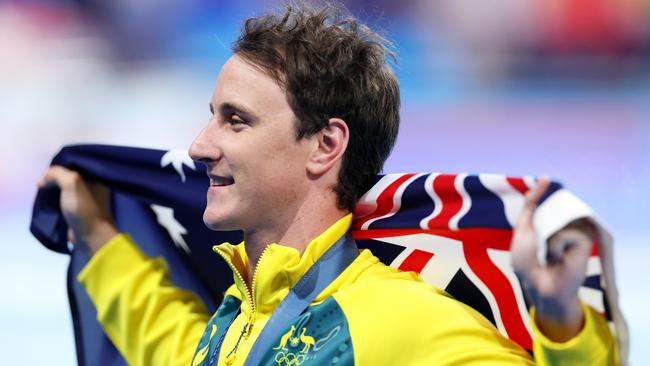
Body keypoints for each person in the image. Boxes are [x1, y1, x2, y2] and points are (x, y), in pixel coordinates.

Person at [38, 3, 617, 365]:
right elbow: (168, 344)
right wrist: (95, 233)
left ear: (325, 146)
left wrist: (564, 326)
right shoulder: (239, 317)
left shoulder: (398, 317)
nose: (198, 145)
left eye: (234, 120)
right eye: (211, 115)